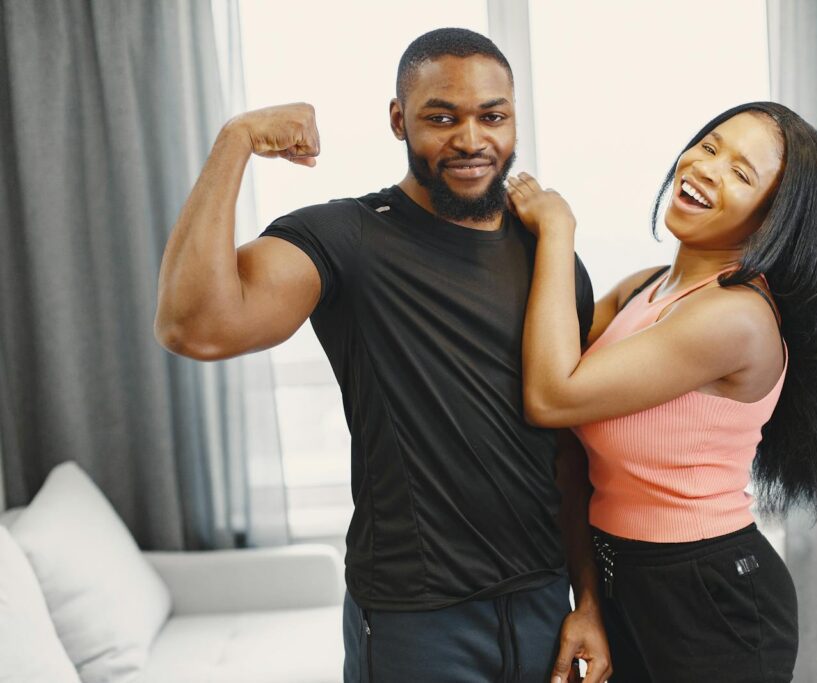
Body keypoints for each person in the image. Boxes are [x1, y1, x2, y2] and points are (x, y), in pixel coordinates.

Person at [154, 28, 612, 683]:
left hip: (543, 604)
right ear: (399, 120)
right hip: (417, 622)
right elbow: (194, 326)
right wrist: (235, 141)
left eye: (492, 116)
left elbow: (569, 448)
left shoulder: (551, 258)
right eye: (442, 118)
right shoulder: (347, 236)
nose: (471, 139)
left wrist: (588, 598)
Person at [508, 101, 817, 682]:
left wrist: (557, 230)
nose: (707, 169)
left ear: (772, 220)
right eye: (710, 146)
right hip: (623, 578)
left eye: (741, 173)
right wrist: (589, 599)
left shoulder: (736, 318)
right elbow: (538, 361)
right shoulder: (643, 289)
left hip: (710, 597)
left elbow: (551, 396)